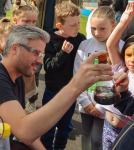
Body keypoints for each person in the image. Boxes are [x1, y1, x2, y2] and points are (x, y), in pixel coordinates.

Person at [0, 25, 113, 150]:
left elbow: (24, 129)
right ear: (15, 48)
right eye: (35, 53)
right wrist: (75, 86)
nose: (40, 61)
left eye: (41, 55)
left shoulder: (16, 77)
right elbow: (24, 131)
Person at [40, 2, 86, 150]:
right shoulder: (50, 40)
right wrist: (63, 53)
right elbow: (48, 67)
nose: (77, 27)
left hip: (70, 93)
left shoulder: (80, 39)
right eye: (73, 25)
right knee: (48, 127)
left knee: (65, 127)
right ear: (60, 26)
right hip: (52, 92)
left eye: (79, 23)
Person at [105, 2, 134, 150]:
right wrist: (123, 22)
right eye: (128, 55)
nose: (131, 60)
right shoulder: (122, 68)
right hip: (108, 127)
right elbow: (111, 45)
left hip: (127, 132)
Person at [74, 6, 118, 150]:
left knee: (98, 140)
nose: (97, 33)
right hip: (86, 101)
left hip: (106, 106)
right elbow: (77, 74)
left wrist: (102, 106)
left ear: (114, 25)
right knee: (86, 135)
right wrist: (84, 101)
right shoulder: (85, 45)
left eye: (102, 29)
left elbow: (118, 80)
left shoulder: (120, 47)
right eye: (93, 28)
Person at [12, 1, 42, 113]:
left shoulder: (36, 36)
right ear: (15, 20)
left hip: (28, 74)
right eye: (26, 21)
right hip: (10, 76)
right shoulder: (8, 34)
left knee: (25, 96)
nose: (31, 25)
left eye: (34, 22)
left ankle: (31, 103)